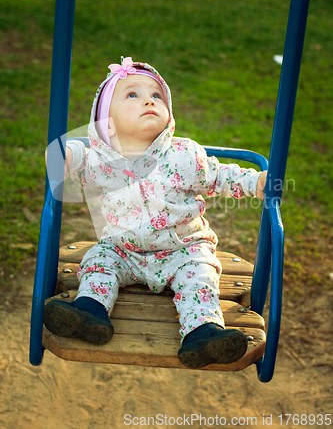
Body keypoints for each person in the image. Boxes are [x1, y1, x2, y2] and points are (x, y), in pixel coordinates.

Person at [44, 57, 267, 369]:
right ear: (105, 120)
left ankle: (203, 333)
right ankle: (89, 312)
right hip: (124, 249)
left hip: (183, 249)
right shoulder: (104, 161)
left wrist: (254, 182)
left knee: (199, 279)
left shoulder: (184, 155)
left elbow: (219, 177)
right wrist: (66, 155)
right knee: (98, 261)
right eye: (132, 95)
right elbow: (78, 161)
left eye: (156, 95)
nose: (148, 99)